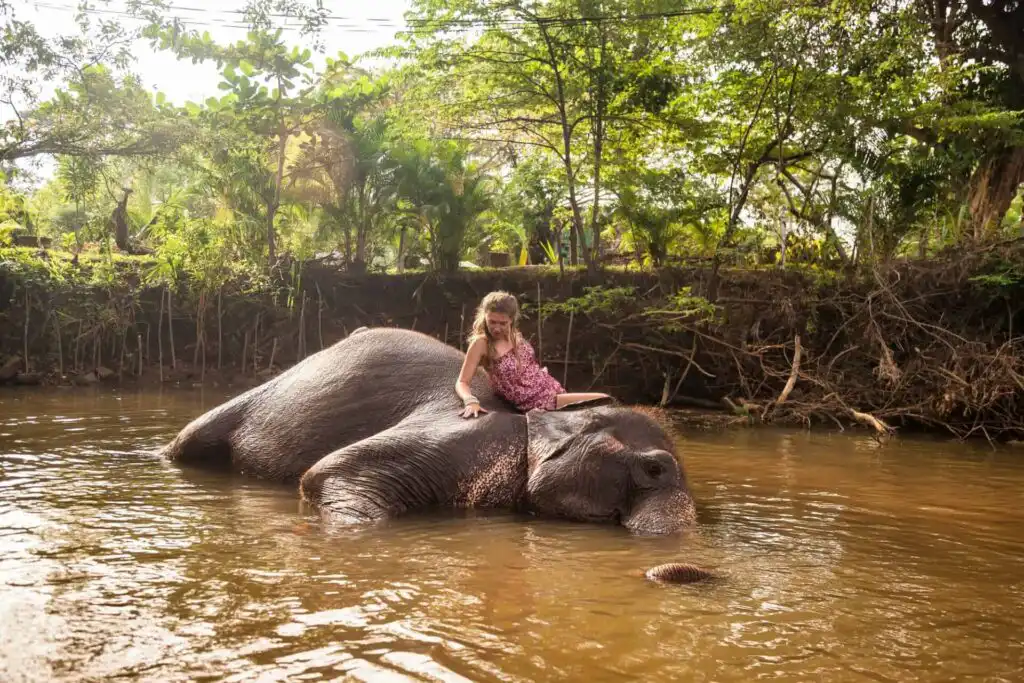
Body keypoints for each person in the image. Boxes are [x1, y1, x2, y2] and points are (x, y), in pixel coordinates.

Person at [455, 290, 611, 418]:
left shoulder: (515, 335)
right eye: (492, 322)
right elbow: (462, 381)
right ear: (484, 318)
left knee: (602, 403)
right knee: (603, 400)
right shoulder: (481, 344)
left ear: (512, 320)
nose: (496, 328)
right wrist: (470, 401)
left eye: (502, 323)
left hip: (551, 388)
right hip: (535, 402)